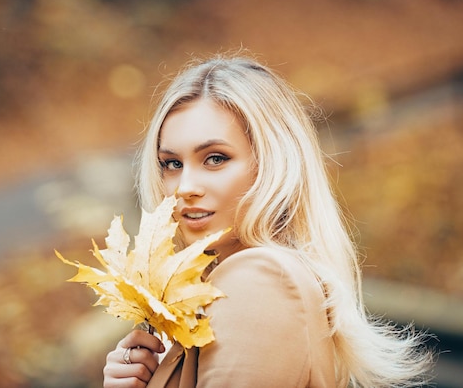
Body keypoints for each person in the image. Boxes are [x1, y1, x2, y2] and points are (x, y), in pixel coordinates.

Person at [102, 53, 433, 387]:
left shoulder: (258, 280)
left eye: (215, 159)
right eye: (171, 164)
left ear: (272, 164)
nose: (185, 187)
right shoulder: (231, 287)